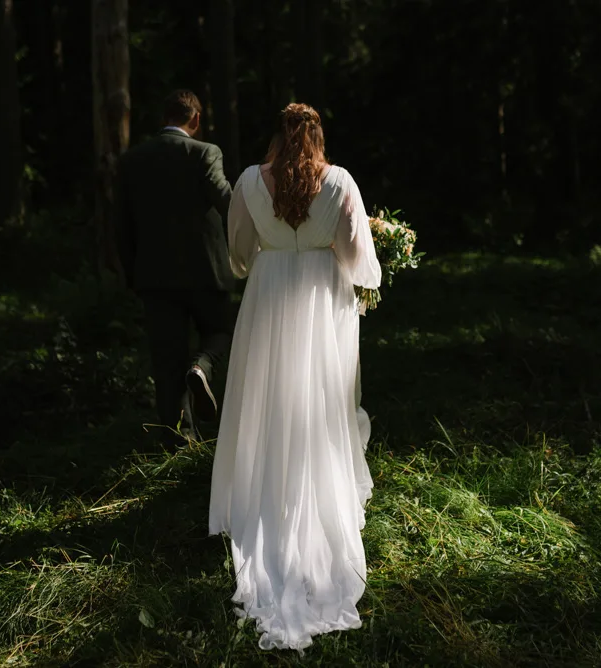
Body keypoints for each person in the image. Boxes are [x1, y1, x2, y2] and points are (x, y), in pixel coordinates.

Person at [208, 103, 382, 652]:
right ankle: (312, 489)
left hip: (268, 294)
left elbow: (238, 249)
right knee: (320, 400)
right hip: (322, 298)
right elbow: (356, 256)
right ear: (317, 137)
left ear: (278, 137)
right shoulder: (340, 182)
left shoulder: (248, 181)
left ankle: (265, 488)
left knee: (268, 394)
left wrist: (263, 258)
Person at [113, 90, 233, 441]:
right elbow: (227, 203)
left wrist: (133, 274)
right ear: (195, 119)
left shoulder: (132, 160)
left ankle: (178, 443)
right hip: (206, 271)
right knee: (221, 331)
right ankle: (202, 367)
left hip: (154, 276)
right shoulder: (204, 153)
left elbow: (121, 225)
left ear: (163, 117)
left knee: (167, 361)